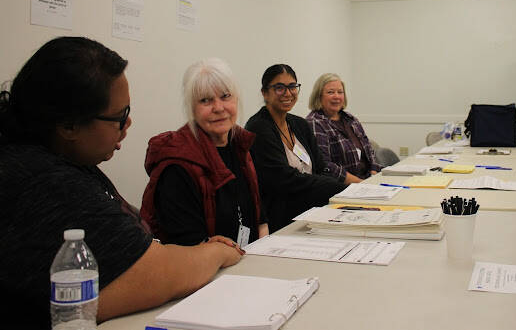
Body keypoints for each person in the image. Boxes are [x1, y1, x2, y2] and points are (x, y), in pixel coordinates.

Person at [0, 37, 242, 329]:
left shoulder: (68, 159)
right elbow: (151, 274)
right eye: (119, 117)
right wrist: (214, 252)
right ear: (68, 125)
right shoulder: (41, 181)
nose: (128, 125)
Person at [140, 58, 268, 247]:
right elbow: (189, 247)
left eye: (225, 96)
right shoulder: (177, 167)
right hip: (206, 271)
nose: (218, 108)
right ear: (191, 108)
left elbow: (260, 219)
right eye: (205, 100)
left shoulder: (241, 146)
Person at [245, 64, 347, 232]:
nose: (288, 93)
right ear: (265, 93)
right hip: (282, 218)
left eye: (292, 86)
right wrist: (338, 189)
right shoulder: (258, 128)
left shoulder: (299, 124)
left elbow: (321, 168)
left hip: (314, 210)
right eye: (279, 87)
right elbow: (283, 180)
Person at [306, 73, 380, 183]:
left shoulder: (350, 119)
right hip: (343, 187)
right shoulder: (314, 123)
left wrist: (374, 175)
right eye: (330, 92)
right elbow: (326, 166)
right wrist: (360, 183)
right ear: (319, 96)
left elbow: (369, 149)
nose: (336, 96)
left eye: (340, 92)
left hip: (367, 181)